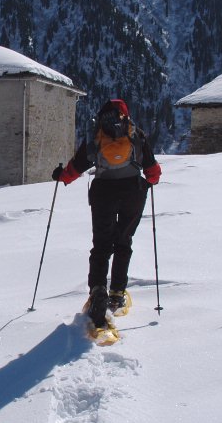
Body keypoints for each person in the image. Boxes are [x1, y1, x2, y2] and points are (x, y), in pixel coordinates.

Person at [52, 98, 162, 329]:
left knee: (101, 245)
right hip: (133, 191)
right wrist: (150, 181)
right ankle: (117, 293)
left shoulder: (97, 136)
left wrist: (61, 176)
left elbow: (76, 167)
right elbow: (152, 171)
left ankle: (97, 290)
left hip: (103, 193)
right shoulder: (135, 134)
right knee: (124, 241)